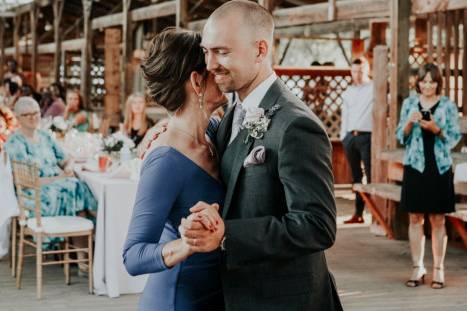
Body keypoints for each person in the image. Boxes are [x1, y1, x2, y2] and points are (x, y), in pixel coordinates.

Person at [179, 1, 342, 310]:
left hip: (286, 301)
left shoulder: (297, 125)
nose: (210, 64)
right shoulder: (233, 112)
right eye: (206, 51)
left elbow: (317, 224)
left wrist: (228, 234)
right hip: (237, 293)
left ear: (260, 50)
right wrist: (169, 132)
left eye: (222, 52)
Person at [122, 28, 227, 310]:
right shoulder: (165, 161)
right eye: (212, 67)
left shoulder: (215, 132)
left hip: (219, 294)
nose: (222, 72)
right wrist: (187, 244)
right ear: (196, 80)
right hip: (179, 300)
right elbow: (133, 255)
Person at [396, 63, 461, 289]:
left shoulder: (448, 106)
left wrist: (436, 129)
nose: (427, 85)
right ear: (418, 83)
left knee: (438, 219)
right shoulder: (409, 104)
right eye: (423, 81)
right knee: (415, 217)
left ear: (438, 83)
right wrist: (408, 124)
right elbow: (400, 137)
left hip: (440, 167)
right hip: (415, 166)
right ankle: (417, 267)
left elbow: (454, 139)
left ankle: (439, 269)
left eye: (432, 81)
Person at [5, 97, 97, 254]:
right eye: (28, 114)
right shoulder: (15, 143)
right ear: (19, 118)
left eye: (36, 113)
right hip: (33, 194)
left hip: (58, 186)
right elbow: (27, 181)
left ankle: (82, 253)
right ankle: (85, 252)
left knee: (76, 187)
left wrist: (68, 168)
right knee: (74, 188)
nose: (33, 117)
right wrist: (60, 178)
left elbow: (66, 159)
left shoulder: (45, 136)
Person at [340, 58, 374, 224]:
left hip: (368, 136)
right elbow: (345, 114)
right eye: (354, 71)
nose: (357, 75)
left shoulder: (374, 88)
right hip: (350, 137)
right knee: (356, 177)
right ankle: (358, 214)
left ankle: (375, 214)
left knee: (371, 174)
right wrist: (343, 137)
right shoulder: (348, 91)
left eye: (360, 71)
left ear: (367, 70)